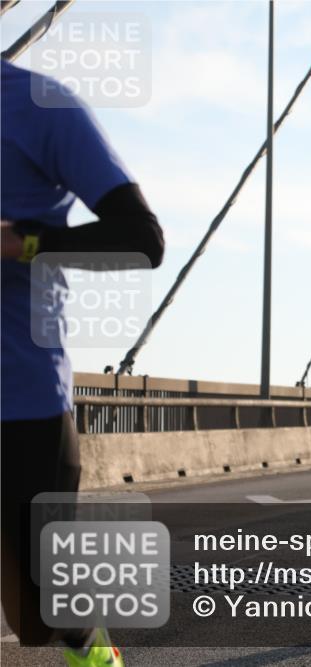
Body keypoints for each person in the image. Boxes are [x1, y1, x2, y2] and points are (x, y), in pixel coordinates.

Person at [2, 60, 164, 666]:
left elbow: (143, 239)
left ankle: (96, 654)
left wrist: (26, 243)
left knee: (44, 612)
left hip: (18, 398)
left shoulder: (39, 105)